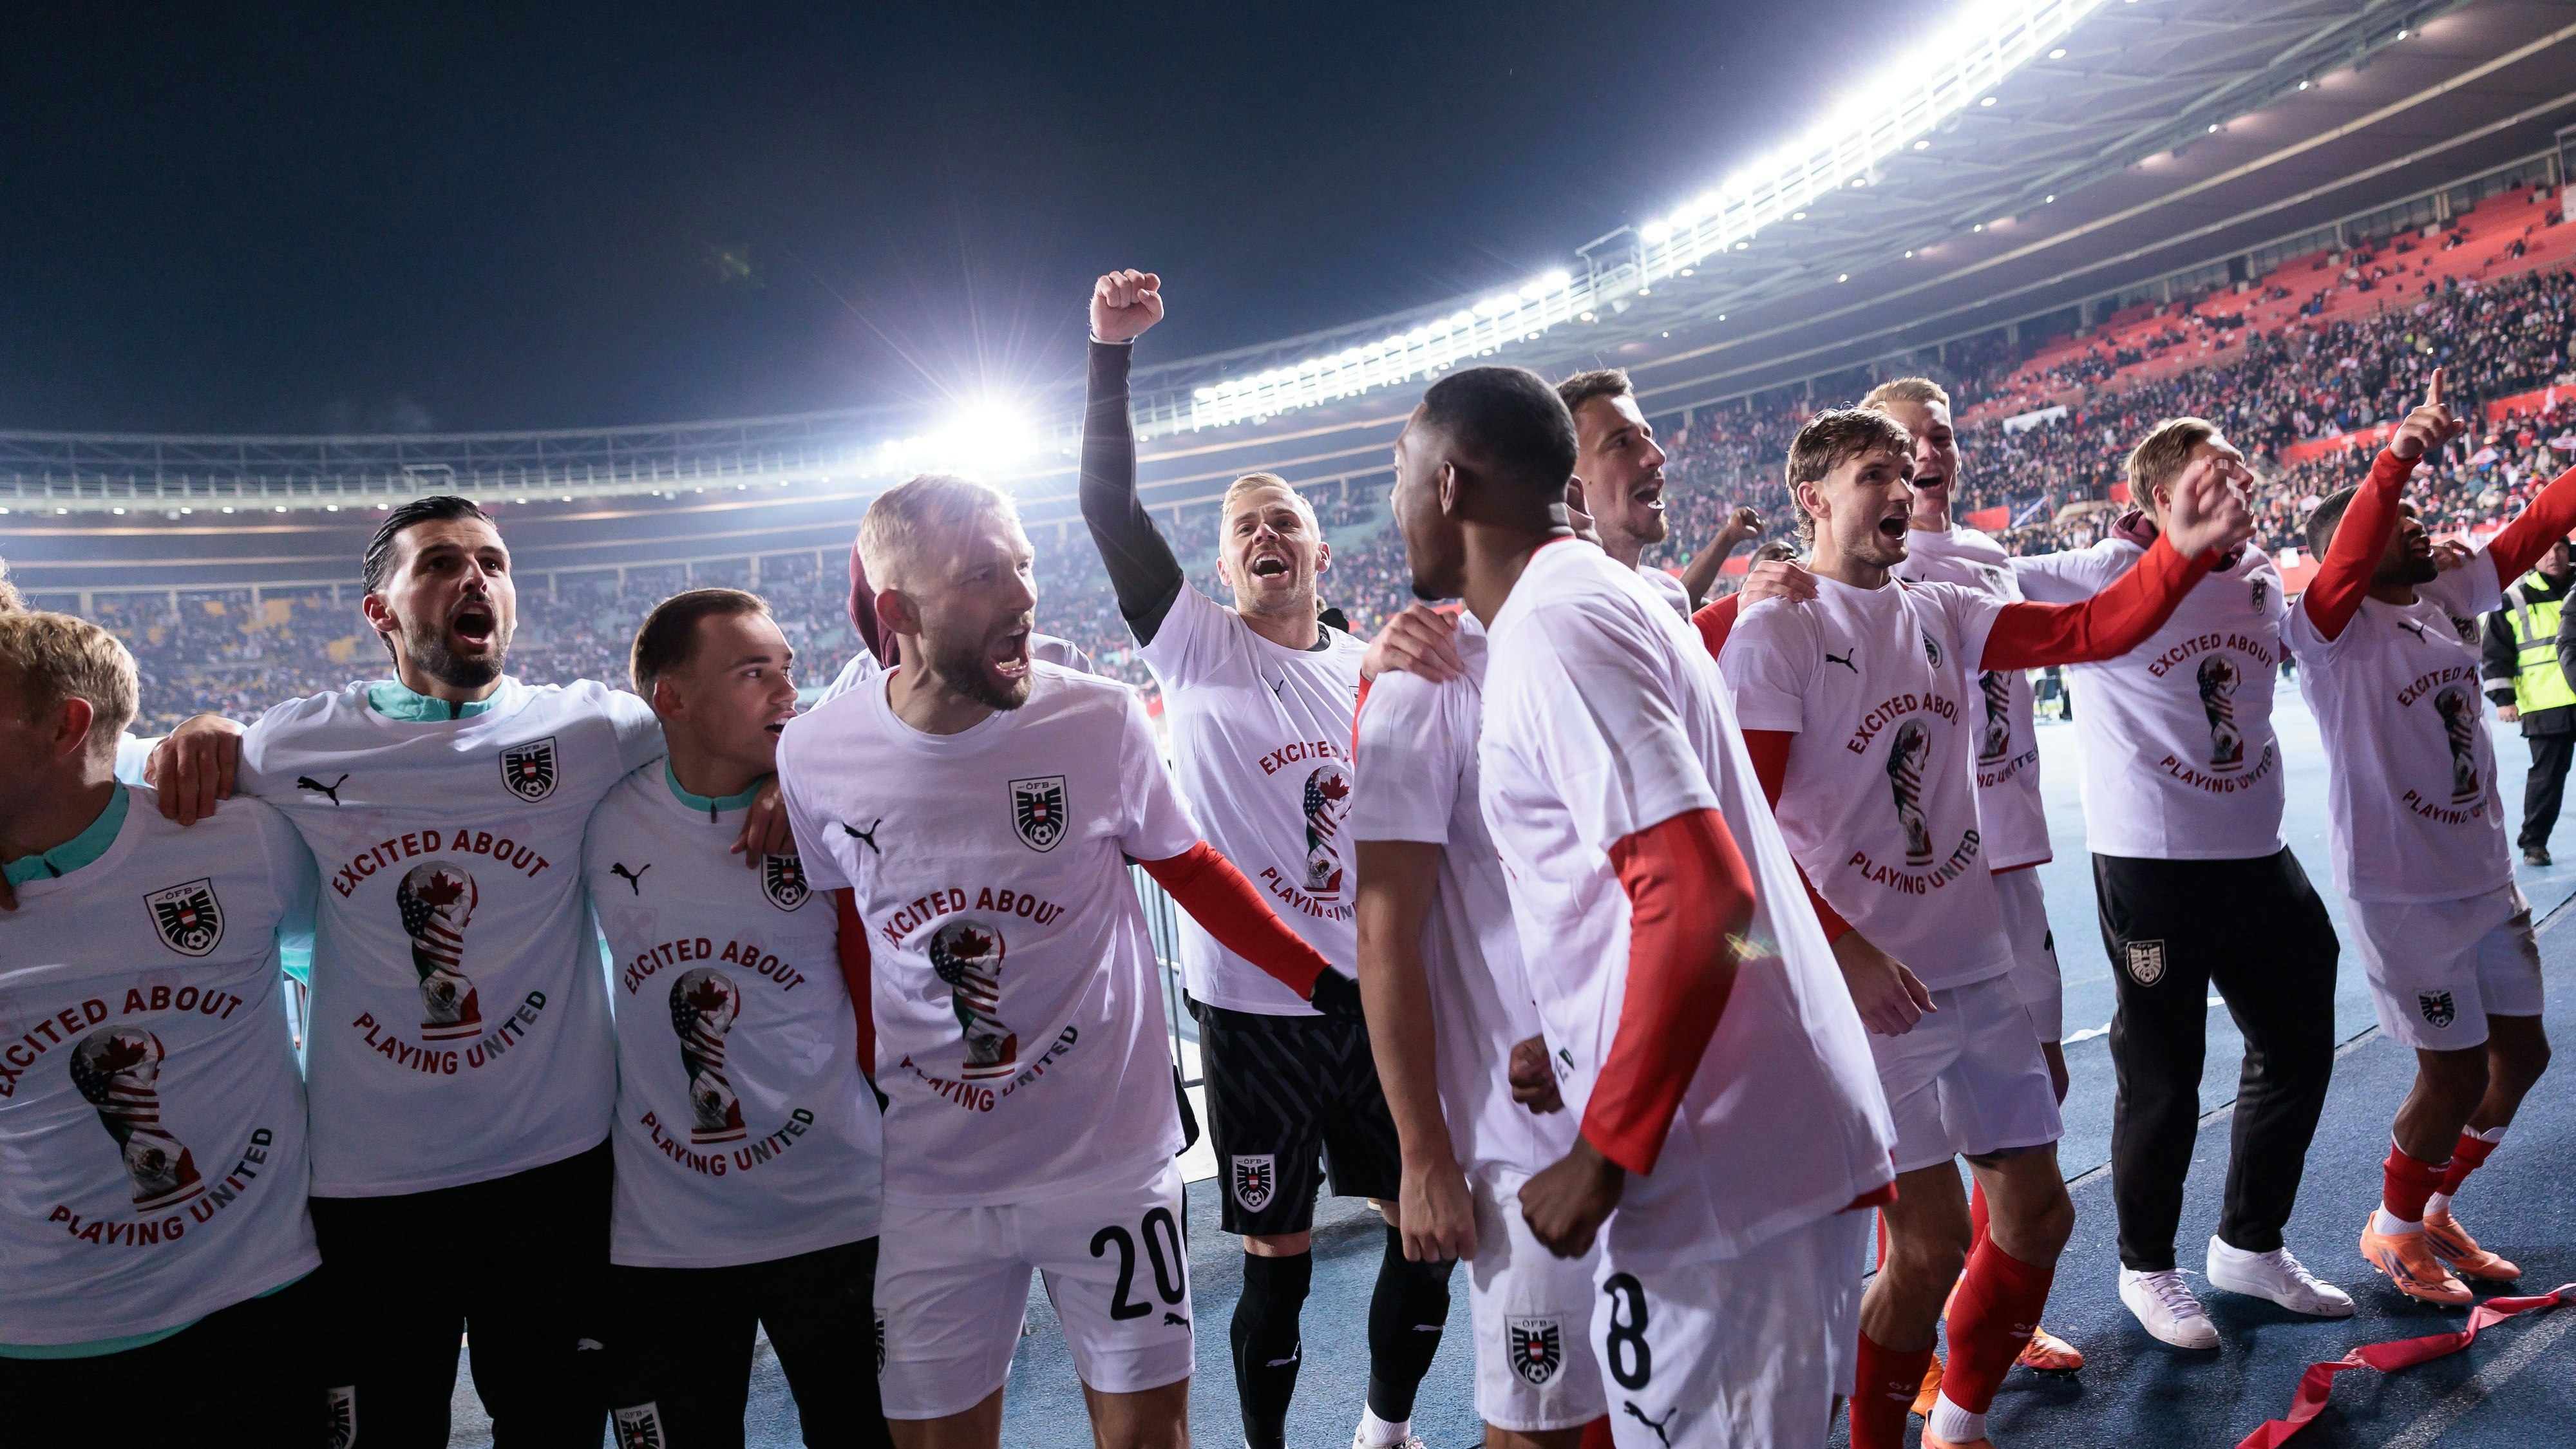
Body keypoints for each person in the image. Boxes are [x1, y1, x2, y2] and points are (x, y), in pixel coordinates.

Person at [145, 494, 787, 1446]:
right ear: (382, 612)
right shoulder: (291, 745)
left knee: (556, 1428)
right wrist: (195, 725)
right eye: (441, 562)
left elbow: (745, 727)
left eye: (492, 560)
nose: (475, 577)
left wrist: (783, 769)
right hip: (370, 1193)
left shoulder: (593, 732)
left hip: (557, 1177)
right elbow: (95, 777)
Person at [775, 472, 1352, 1449]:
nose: (1023, 594)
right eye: (982, 573)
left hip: (1109, 1162)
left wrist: (1330, 986)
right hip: (931, 1179)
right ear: (896, 610)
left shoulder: (1096, 717)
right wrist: (882, 1086)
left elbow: (1194, 869)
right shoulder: (816, 751)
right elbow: (850, 932)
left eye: (1025, 564)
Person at [1394, 363, 1898, 1448]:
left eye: (1398, 471)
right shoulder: (1600, 597)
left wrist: (1607, 1143)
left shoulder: (1557, 625)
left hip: (1718, 1162)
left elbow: (1700, 887)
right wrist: (1582, 1044)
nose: (1394, 502)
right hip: (1732, 1133)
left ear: (1445, 485)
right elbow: (1669, 893)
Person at [1723, 406, 2244, 1449]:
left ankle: (1957, 1427)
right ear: (1812, 499)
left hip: (1977, 965)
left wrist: (2181, 555)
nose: (1904, 485)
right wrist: (1842, 946)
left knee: (2040, 1217)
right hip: (1866, 990)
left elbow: (2087, 630)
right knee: (1917, 1252)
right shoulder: (1778, 631)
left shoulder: (1943, 605)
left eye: (1905, 469)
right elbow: (1738, 836)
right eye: (1876, 472)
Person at [1081, 269, 1457, 1449]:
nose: (1263, 534)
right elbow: (1105, 507)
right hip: (1257, 1012)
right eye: (1243, 527)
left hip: (1384, 1003)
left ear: (1319, 553)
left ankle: (1385, 1431)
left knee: (1425, 1227)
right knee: (1277, 1260)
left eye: (1282, 518)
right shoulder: (1195, 649)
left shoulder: (1371, 664)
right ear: (1225, 570)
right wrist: (1108, 356)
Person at [2012, 422, 2354, 1349]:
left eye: (2241, 467)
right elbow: (1960, 580)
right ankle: (2147, 1266)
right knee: (2165, 1076)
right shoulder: (2096, 569)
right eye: (2215, 473)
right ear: (2161, 497)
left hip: (2258, 853)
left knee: (2298, 1045)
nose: (2240, 483)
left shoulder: (2254, 575)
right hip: (2150, 865)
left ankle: (2249, 1241)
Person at [0, 612, 324, 1444]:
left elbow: (361, 958)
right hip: (37, 1341)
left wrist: (218, 736)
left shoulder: (236, 843)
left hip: (255, 1306)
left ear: (67, 725)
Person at [585, 588, 891, 1448]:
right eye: (753, 672)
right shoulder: (597, 818)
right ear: (671, 699)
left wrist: (814, 778)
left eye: (787, 669)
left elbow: (920, 728)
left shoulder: (832, 807)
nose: (787, 691)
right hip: (666, 1236)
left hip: (840, 1212)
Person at [2284, 372, 2564, 1305]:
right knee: (2446, 1070)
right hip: (2402, 889)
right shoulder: (2327, 628)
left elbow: (2531, 530)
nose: (2416, 526)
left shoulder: (2438, 592)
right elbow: (2362, 535)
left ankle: (2432, 1204)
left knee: (2522, 1057)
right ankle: (2393, 1233)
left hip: (2482, 874)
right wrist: (2397, 455)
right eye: (2393, 521)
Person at [1865, 376, 2084, 1393]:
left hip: (2015, 863)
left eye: (1942, 435)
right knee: (1915, 1143)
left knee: (2040, 1092)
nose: (1931, 453)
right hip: (1925, 877)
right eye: (1908, 442)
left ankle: (1986, 1305)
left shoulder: (1993, 558)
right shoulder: (1872, 567)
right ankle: (1915, 1307)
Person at [1351, 594, 1611, 1448]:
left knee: (1663, 1399)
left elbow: (1710, 885)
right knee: (1541, 1426)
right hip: (1526, 1140)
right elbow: (1383, 928)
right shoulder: (1432, 677)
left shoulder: (1644, 627)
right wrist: (1422, 1153)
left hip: (1660, 1102)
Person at [1557, 369, 1757, 611]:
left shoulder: (1668, 597)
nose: (1658, 455)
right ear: (1568, 487)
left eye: (1648, 436)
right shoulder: (1559, 617)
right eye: (1622, 443)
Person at [2486, 536, 2576, 864]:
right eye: (2545, 550)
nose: (2554, 556)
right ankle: (2534, 844)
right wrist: (2503, 699)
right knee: (2547, 779)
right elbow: (2495, 654)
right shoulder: (2513, 599)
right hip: (2545, 703)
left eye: (2561, 548)